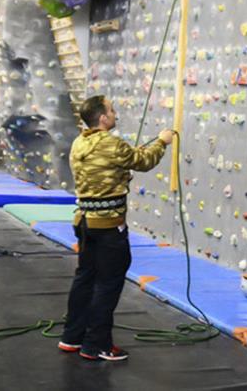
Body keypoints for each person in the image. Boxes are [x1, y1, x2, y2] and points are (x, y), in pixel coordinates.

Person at [59, 95, 175, 362]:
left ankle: (72, 337)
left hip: (85, 222)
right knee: (108, 283)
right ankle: (97, 344)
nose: (115, 115)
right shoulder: (112, 143)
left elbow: (104, 170)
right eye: (112, 111)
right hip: (109, 226)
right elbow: (144, 160)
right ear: (102, 118)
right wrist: (162, 141)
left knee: (85, 278)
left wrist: (120, 175)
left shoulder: (79, 143)